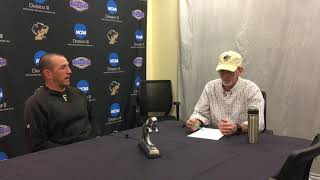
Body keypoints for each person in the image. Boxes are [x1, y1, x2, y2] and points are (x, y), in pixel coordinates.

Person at [24, 53, 101, 152]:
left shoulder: (78, 93)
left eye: (68, 66)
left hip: (92, 149)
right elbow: (38, 144)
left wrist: (97, 137)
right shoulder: (35, 103)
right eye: (63, 68)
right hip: (64, 158)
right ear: (48, 74)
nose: (69, 71)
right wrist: (71, 151)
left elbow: (92, 118)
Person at [186, 50, 264, 136]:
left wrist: (237, 127)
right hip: (215, 137)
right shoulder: (211, 87)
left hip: (241, 138)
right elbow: (200, 113)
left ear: (240, 70)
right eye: (222, 71)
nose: (225, 76)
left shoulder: (251, 89)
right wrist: (196, 121)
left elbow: (259, 123)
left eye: (230, 72)